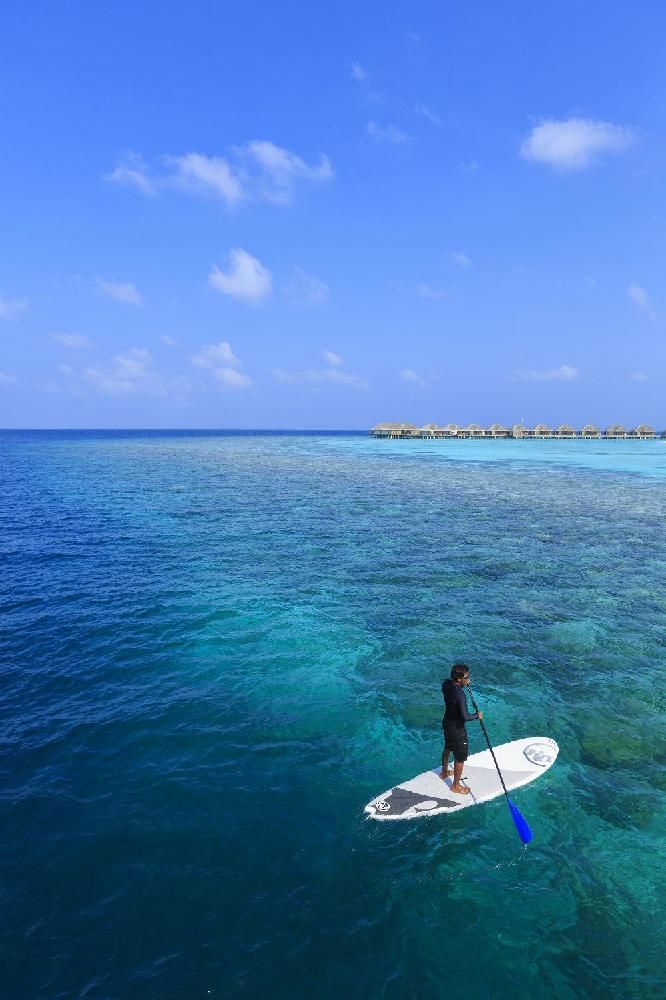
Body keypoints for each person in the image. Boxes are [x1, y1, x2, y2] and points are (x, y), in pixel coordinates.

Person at [441, 662, 483, 794]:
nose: (468, 679)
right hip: (457, 729)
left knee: (448, 747)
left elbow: (453, 695)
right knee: (460, 758)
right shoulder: (460, 695)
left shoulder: (446, 684)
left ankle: (444, 772)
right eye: (466, 677)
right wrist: (477, 715)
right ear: (459, 679)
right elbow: (465, 716)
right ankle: (456, 786)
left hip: (447, 722)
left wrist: (464, 685)